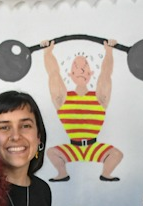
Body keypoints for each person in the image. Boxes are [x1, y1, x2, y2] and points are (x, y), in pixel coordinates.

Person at [42, 39, 123, 181]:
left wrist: (109, 51)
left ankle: (105, 174)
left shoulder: (99, 98)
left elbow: (105, 75)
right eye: (76, 67)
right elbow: (53, 74)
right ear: (70, 74)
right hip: (73, 147)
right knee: (51, 152)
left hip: (94, 146)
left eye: (85, 66)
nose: (80, 70)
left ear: (91, 73)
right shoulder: (62, 99)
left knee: (116, 154)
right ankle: (62, 173)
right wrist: (47, 53)